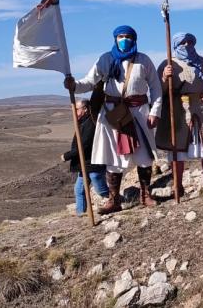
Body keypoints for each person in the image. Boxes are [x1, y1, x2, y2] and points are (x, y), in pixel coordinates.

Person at [63, 25, 163, 214]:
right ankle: (114, 200)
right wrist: (73, 85)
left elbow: (156, 87)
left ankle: (145, 195)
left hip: (139, 112)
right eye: (121, 36)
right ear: (115, 38)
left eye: (128, 37)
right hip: (113, 114)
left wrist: (154, 112)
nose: (124, 40)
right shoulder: (105, 59)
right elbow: (89, 81)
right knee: (113, 158)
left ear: (134, 39)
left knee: (144, 157)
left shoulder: (144, 60)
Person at [156, 32, 203, 196]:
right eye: (183, 42)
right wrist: (164, 77)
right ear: (176, 45)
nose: (187, 45)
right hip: (178, 109)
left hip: (199, 107)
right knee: (178, 148)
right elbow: (158, 89)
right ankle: (177, 186)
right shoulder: (167, 63)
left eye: (190, 42)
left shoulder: (202, 63)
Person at [60, 98, 109, 216]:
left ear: (86, 109)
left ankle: (116, 201)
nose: (75, 112)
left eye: (77, 109)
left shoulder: (91, 123)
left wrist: (67, 156)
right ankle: (80, 214)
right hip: (85, 164)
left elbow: (84, 144)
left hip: (92, 163)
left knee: (100, 189)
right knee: (79, 190)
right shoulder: (83, 122)